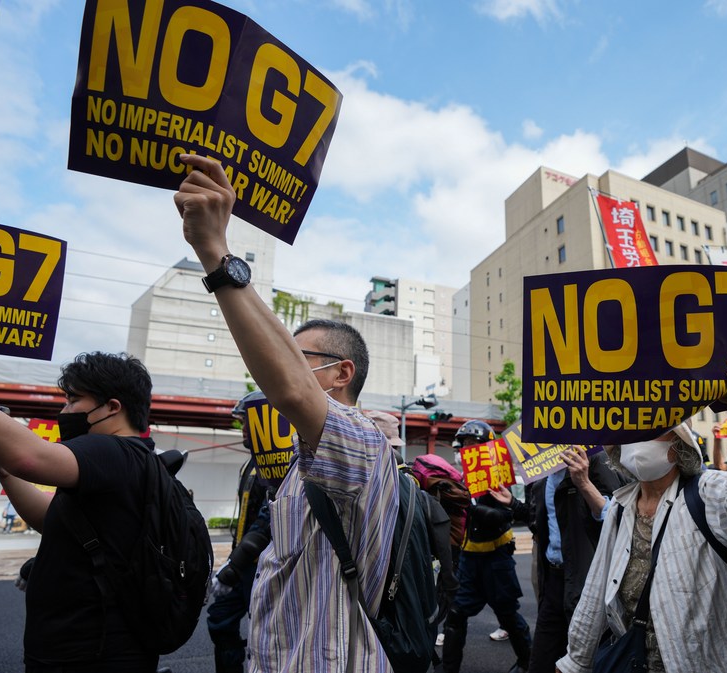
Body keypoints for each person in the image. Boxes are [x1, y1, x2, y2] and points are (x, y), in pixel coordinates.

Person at [174, 154, 400, 672]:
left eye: (300, 360)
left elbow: (295, 393)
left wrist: (215, 251)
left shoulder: (364, 445)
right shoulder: (302, 460)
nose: (283, 371)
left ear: (342, 374)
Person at [0, 329, 161, 673]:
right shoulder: (126, 461)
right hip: (86, 644)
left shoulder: (113, 450)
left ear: (112, 407)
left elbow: (29, 457)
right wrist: (6, 474)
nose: (64, 410)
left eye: (72, 400)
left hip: (93, 652)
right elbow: (50, 518)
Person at [557, 357, 727, 673]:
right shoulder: (620, 508)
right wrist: (574, 661)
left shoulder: (707, 492)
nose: (638, 439)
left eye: (653, 429)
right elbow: (594, 595)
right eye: (631, 431)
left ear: (678, 444)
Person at [492, 446, 623, 673]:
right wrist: (513, 503)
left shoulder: (593, 457)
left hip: (586, 578)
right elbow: (537, 520)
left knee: (586, 659)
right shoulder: (540, 467)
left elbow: (618, 518)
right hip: (552, 579)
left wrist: (583, 483)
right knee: (541, 659)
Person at [441, 420, 532, 673]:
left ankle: (527, 663)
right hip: (470, 558)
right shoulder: (466, 477)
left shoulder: (499, 473)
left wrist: (471, 506)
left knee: (508, 616)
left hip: (497, 558)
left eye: (473, 443)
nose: (468, 448)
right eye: (465, 444)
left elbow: (504, 517)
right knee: (456, 614)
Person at [206, 390, 273, 673]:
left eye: (248, 421)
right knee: (219, 618)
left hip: (262, 567)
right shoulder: (251, 462)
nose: (243, 427)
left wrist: (235, 564)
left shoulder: (276, 464)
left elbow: (266, 520)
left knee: (267, 634)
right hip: (243, 564)